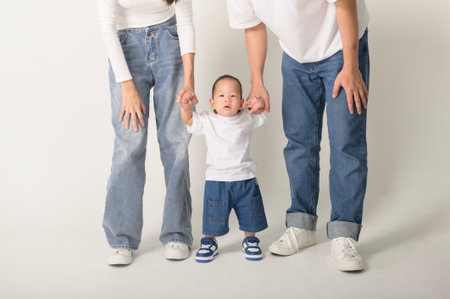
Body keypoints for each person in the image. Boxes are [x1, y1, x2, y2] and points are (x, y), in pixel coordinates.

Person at [226, 0, 370, 271]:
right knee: (299, 141)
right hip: (295, 55)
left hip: (341, 43)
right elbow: (253, 25)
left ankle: (344, 234)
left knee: (346, 142)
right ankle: (302, 224)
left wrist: (351, 66)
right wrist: (257, 81)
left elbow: (344, 3)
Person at [97, 0, 196, 265]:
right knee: (129, 145)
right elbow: (107, 25)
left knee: (176, 141)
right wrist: (127, 87)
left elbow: (185, 20)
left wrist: (189, 80)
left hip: (171, 43)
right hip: (126, 48)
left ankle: (178, 233)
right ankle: (121, 238)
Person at [178, 75, 268, 262]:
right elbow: (188, 120)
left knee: (249, 212)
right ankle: (209, 241)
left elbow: (263, 112)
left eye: (233, 96)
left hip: (245, 178)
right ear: (212, 102)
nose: (227, 99)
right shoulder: (208, 120)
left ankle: (250, 239)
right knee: (214, 215)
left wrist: (259, 104)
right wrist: (186, 107)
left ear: (242, 102)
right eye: (221, 95)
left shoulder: (247, 117)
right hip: (217, 180)